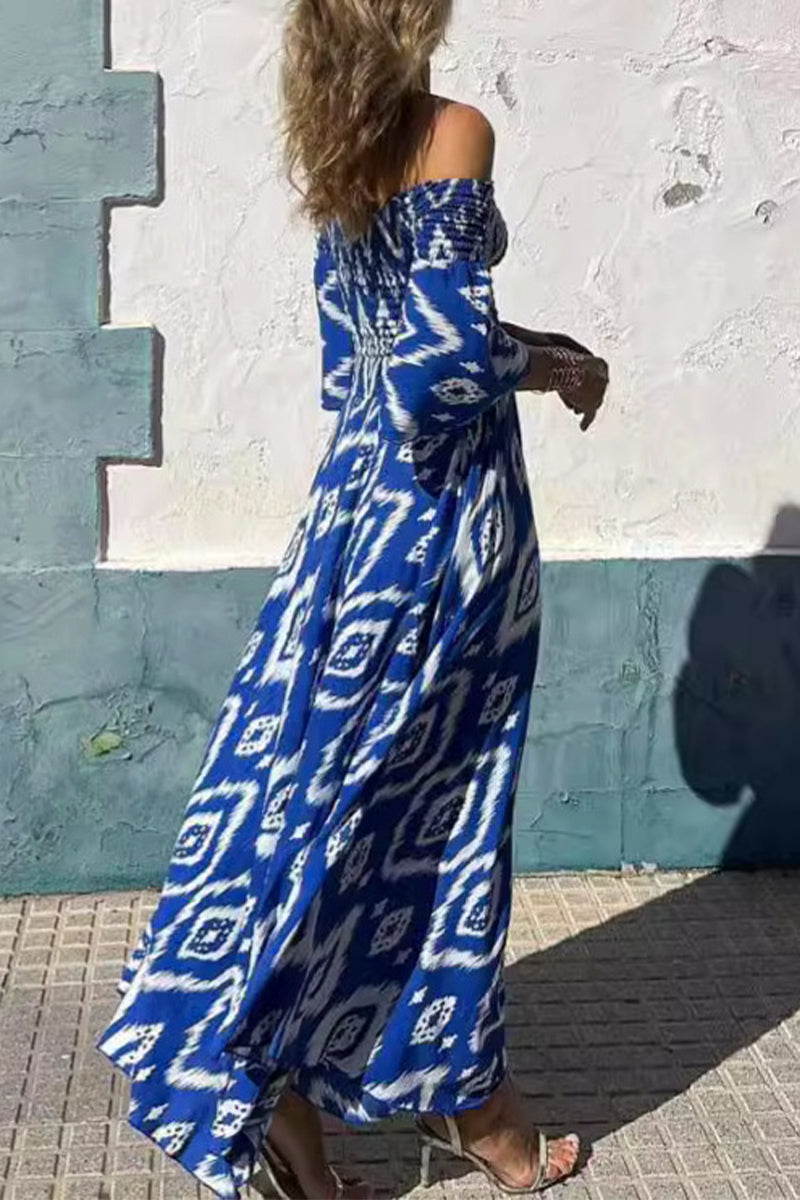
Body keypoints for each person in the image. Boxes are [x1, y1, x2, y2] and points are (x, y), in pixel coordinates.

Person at [96, 2, 609, 1197]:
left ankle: (286, 1104)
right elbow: (442, 367)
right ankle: (469, 1105)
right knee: (443, 811)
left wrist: (535, 344)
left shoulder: (339, 149)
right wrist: (548, 366)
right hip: (445, 524)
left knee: (315, 798)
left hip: (352, 514)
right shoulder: (451, 131)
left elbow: (362, 362)